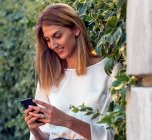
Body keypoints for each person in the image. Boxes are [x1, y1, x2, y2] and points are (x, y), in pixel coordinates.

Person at [24, 3, 118, 140]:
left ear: (76, 29)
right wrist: (36, 131)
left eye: (58, 35)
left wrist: (65, 120)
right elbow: (46, 135)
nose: (53, 45)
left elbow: (113, 135)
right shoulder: (49, 76)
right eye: (48, 40)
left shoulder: (109, 71)